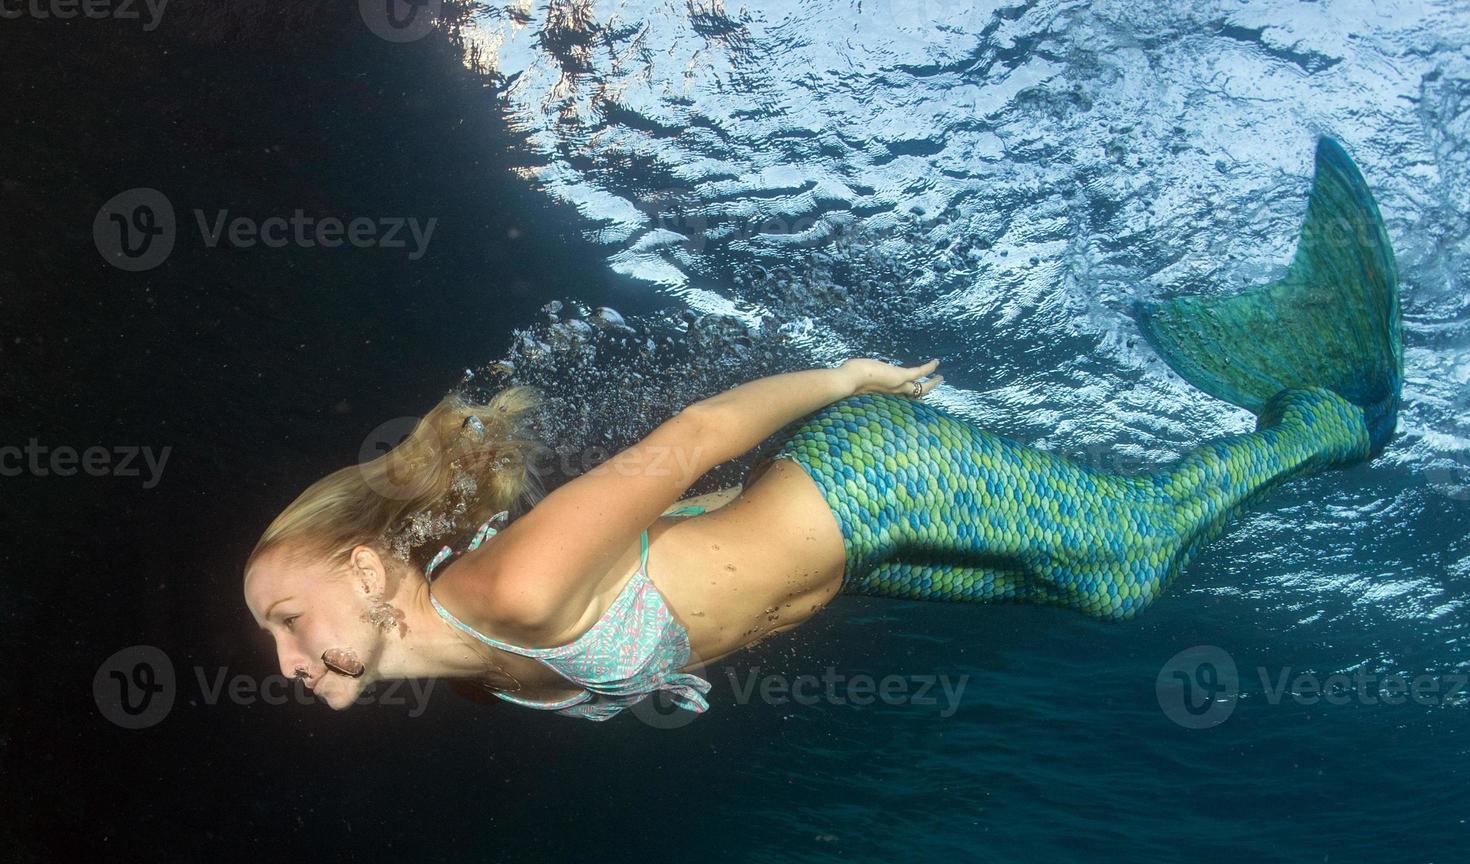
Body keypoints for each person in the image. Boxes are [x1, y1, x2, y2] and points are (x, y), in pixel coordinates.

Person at [243, 136, 1401, 722]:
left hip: (872, 479)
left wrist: (844, 378)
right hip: (866, 557)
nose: (284, 661)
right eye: (275, 643)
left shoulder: (509, 587)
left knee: (1136, 554)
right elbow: (670, 550)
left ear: (361, 566)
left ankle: (1326, 415)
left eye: (287, 620)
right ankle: (1296, 408)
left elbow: (691, 441)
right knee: (1108, 593)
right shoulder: (474, 665)